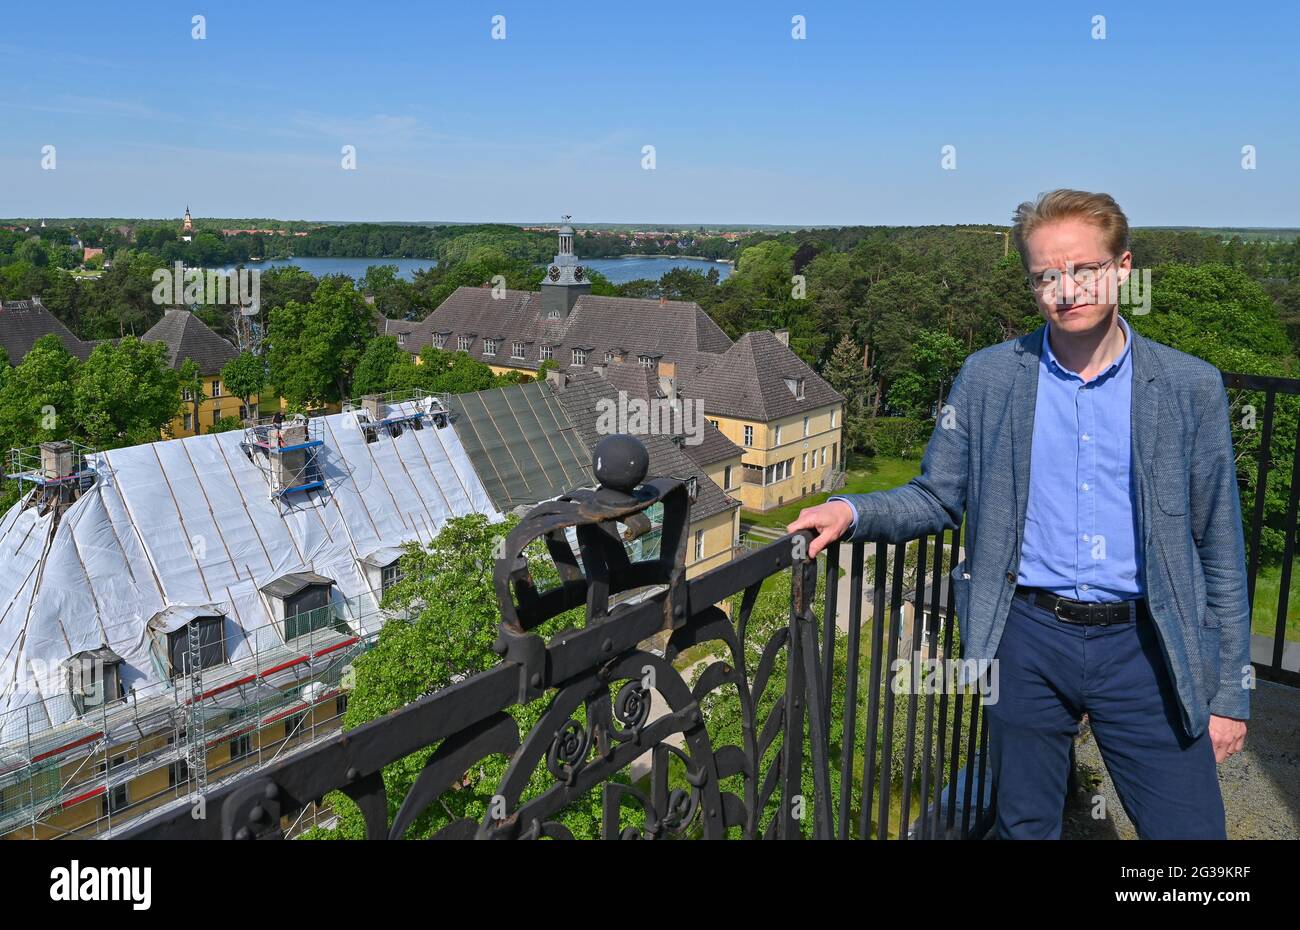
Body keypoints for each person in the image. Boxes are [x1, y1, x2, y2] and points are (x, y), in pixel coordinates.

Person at [787, 189, 1249, 839]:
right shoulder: (990, 378)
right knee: (1024, 824)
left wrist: (1229, 694)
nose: (1066, 289)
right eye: (1045, 276)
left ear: (1122, 269)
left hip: (1146, 646)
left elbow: (1220, 548)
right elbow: (938, 495)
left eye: (1084, 269)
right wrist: (848, 509)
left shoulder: (1187, 386)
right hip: (1027, 642)